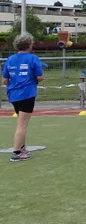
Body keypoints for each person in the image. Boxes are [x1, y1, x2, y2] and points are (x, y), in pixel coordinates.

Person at [2, 34, 44, 162]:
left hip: (13, 95)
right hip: (27, 94)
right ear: (29, 45)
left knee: (21, 122)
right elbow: (39, 77)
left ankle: (21, 148)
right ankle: (16, 153)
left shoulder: (10, 59)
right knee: (22, 124)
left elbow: (5, 80)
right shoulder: (33, 58)